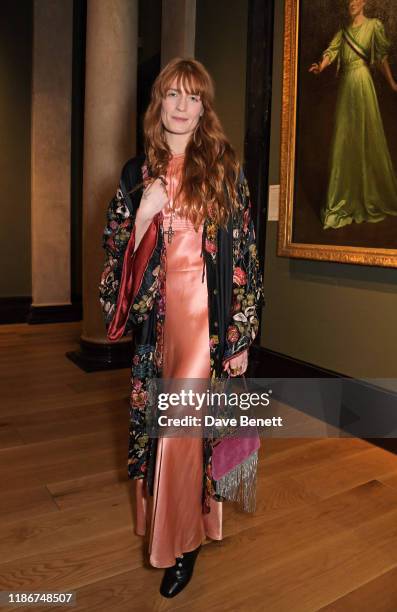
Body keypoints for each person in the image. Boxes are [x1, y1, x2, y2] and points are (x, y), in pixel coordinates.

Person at [99, 58, 264, 598]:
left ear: (204, 107)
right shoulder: (133, 173)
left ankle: (181, 544)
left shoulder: (224, 168)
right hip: (157, 323)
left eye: (192, 97)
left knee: (182, 427)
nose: (181, 106)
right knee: (166, 432)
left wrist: (239, 336)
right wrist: (144, 215)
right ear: (158, 103)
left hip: (206, 323)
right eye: (172, 94)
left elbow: (244, 254)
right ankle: (183, 524)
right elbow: (114, 259)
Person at [309, 0, 397, 229]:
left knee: (367, 138)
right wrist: (322, 65)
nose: (353, 3)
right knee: (344, 140)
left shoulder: (373, 26)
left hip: (362, 84)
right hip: (346, 87)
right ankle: (345, 198)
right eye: (349, 0)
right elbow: (333, 50)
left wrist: (392, 83)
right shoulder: (343, 32)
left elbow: (380, 58)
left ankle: (371, 195)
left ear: (365, 2)